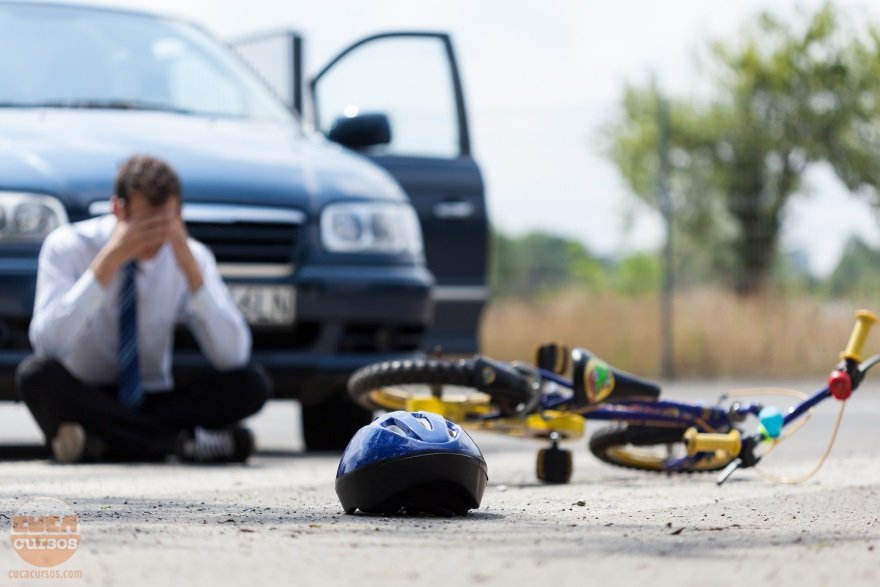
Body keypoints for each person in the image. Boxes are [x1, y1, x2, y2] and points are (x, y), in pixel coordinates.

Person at [16, 155, 271, 464]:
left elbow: (233, 355)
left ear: (178, 213)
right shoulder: (67, 246)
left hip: (155, 398)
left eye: (164, 222)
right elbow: (48, 345)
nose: (154, 238)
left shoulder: (193, 256)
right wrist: (107, 262)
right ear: (118, 210)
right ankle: (181, 444)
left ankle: (102, 443)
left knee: (251, 384)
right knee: (36, 376)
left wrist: (190, 269)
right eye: (145, 223)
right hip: (89, 395)